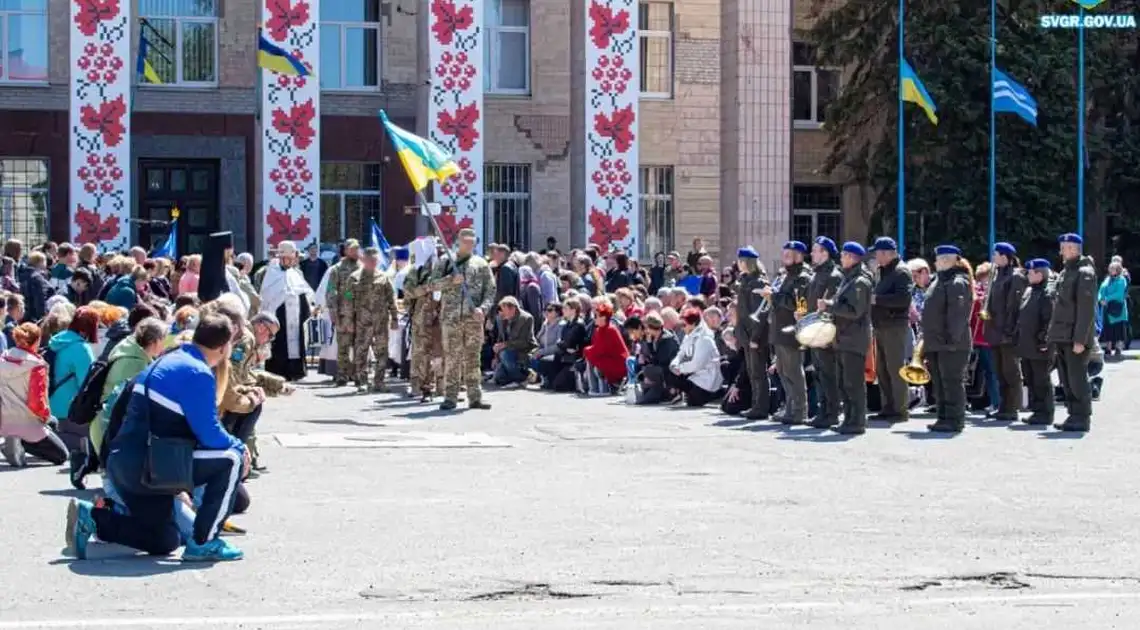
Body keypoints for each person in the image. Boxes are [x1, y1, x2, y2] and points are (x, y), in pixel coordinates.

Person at [64, 314, 249, 562]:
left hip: (124, 466)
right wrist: (240, 446)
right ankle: (205, 542)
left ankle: (95, 518)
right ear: (225, 347)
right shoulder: (198, 372)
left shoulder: (166, 360)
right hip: (151, 468)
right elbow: (210, 435)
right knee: (231, 458)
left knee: (164, 539)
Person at [434, 228, 495, 411]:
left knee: (473, 359)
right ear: (458, 242)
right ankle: (450, 397)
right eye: (465, 241)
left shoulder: (481, 264)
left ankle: (475, 397)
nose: (468, 245)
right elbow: (432, 284)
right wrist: (450, 280)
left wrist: (482, 309)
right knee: (452, 358)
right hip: (451, 319)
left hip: (472, 318)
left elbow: (490, 290)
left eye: (471, 242)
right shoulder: (446, 262)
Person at [818, 242, 874, 434]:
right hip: (844, 338)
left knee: (853, 383)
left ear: (851, 257)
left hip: (854, 338)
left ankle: (857, 421)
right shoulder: (849, 278)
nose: (841, 258)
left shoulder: (860, 282)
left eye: (843, 255)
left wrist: (830, 306)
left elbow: (855, 311)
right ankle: (849, 419)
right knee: (844, 382)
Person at [1047, 233, 1098, 432]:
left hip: (1074, 337)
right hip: (1062, 335)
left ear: (1075, 249)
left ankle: (1082, 417)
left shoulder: (1084, 272)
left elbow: (1086, 311)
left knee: (1077, 379)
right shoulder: (1066, 271)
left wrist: (1080, 339)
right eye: (1061, 247)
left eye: (1065, 247)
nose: (1061, 251)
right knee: (1066, 379)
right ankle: (1073, 414)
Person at [0, 323, 69, 467]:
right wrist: (46, 417)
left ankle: (12, 441)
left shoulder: (3, 359)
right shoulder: (36, 366)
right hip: (28, 423)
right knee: (61, 456)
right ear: (37, 341)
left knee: (51, 424)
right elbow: (36, 402)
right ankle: (21, 442)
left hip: (3, 421)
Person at [922, 245, 974, 433]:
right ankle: (943, 417)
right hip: (936, 342)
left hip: (952, 343)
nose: (936, 263)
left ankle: (955, 419)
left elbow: (957, 315)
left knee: (951, 381)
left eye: (938, 259)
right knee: (940, 381)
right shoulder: (940, 280)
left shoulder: (957, 282)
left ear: (947, 260)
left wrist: (952, 340)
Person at [763, 241, 812, 424]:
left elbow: (798, 304)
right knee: (783, 371)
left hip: (792, 330)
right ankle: (790, 408)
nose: (784, 259)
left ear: (799, 256)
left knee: (793, 371)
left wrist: (773, 296)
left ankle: (800, 410)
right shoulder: (785, 275)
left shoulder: (802, 277)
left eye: (788, 255)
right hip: (780, 328)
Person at [869, 237, 914, 423]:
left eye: (878, 253)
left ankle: (900, 410)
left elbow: (903, 300)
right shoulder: (883, 271)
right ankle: (888, 406)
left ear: (888, 253)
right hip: (882, 325)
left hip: (895, 325)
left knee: (896, 368)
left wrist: (877, 300)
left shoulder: (901, 272)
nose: (876, 257)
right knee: (882, 369)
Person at [981, 242, 1027, 422]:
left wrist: (1009, 330)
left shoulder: (1015, 276)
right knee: (999, 371)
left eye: (996, 254)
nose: (993, 257)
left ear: (1005, 256)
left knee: (1011, 372)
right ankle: (1003, 406)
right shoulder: (996, 274)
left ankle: (1012, 407)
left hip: (1007, 332)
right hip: (995, 331)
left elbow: (1014, 307)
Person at [258, 241, 314, 381]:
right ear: (282, 257)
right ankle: (278, 371)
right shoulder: (271, 271)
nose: (291, 261)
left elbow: (303, 290)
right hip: (279, 315)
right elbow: (267, 294)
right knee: (280, 343)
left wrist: (308, 306)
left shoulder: (294, 272)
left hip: (295, 315)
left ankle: (295, 371)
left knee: (295, 342)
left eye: (292, 259)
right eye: (288, 258)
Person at [347, 246, 399, 393]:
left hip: (381, 322)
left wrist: (394, 318)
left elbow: (391, 299)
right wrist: (348, 320)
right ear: (364, 260)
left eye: (375, 260)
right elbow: (347, 299)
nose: (373, 263)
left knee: (382, 352)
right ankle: (362, 381)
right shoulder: (354, 278)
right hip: (362, 322)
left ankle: (379, 381)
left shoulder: (384, 278)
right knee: (361, 352)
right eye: (371, 260)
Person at [806, 236, 844, 427]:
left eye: (816, 250)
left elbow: (833, 305)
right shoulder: (817, 274)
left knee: (829, 373)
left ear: (825, 253)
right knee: (819, 373)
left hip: (825, 330)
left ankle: (832, 412)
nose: (812, 253)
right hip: (813, 329)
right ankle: (823, 410)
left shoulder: (833, 275)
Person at [1016, 259, 1056, 426]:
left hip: (1039, 346)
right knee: (1031, 379)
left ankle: (1045, 412)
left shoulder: (1047, 293)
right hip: (1027, 344)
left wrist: (1043, 340)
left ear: (1039, 274)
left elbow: (1049, 320)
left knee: (1041, 380)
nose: (1028, 275)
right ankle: (1037, 410)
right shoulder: (1030, 290)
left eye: (1031, 273)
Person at [403, 245, 445, 400]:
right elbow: (408, 291)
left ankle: (443, 387)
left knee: (443, 353)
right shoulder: (417, 271)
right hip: (421, 320)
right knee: (420, 353)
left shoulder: (448, 271)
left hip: (443, 318)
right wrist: (426, 288)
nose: (440, 257)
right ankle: (418, 386)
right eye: (437, 254)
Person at [47, 306, 99, 426]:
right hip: (69, 411)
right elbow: (87, 384)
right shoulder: (82, 349)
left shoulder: (56, 341)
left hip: (49, 405)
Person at [734, 246, 770, 419]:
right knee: (751, 371)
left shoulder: (758, 282)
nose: (738, 264)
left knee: (758, 372)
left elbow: (761, 312)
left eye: (740, 260)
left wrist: (755, 337)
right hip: (745, 332)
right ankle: (756, 405)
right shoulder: (745, 280)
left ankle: (761, 407)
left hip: (755, 334)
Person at [669, 307, 723, 406]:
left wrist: (680, 369)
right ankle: (682, 394)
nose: (682, 328)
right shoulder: (688, 337)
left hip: (707, 379)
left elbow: (697, 364)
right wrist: (674, 365)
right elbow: (681, 354)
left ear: (693, 324)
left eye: (684, 325)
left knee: (694, 400)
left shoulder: (705, 339)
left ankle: (717, 393)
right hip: (695, 376)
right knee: (671, 373)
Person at [325, 240, 361, 386]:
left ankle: (359, 375)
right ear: (346, 251)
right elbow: (331, 290)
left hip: (361, 314)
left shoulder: (363, 267)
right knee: (344, 346)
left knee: (360, 345)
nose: (356, 252)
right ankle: (342, 376)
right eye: (353, 249)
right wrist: (333, 310)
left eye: (358, 249)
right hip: (344, 314)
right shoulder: (337, 269)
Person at [581, 302, 628, 396]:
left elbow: (600, 349)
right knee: (591, 359)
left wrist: (586, 350)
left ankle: (604, 389)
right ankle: (594, 388)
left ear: (603, 318)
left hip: (618, 363)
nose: (594, 318)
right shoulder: (599, 330)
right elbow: (597, 348)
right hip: (607, 358)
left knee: (593, 361)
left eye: (596, 316)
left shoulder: (611, 330)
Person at [491, 296, 538, 387]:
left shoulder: (526, 318)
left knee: (504, 354)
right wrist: (495, 356)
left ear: (513, 308)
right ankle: (525, 375)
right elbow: (500, 338)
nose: (502, 312)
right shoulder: (501, 318)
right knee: (499, 378)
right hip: (506, 350)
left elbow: (525, 341)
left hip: (523, 350)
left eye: (504, 309)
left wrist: (505, 345)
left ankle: (520, 379)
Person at [1099, 260, 1129, 357]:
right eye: (1110, 268)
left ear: (1118, 270)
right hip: (1107, 308)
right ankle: (1108, 348)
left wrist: (1106, 298)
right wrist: (1100, 299)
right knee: (1108, 328)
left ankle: (1118, 348)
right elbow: (1101, 290)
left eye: (1113, 268)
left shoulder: (1121, 280)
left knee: (1118, 329)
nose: (1110, 270)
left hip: (1118, 308)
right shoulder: (1107, 279)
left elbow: (1119, 293)